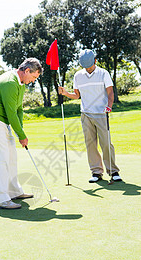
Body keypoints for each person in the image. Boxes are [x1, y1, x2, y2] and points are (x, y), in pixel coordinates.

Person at [0, 58, 43, 209]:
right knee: (0, 159)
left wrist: (20, 131)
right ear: (27, 71)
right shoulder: (10, 82)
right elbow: (11, 113)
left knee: (11, 157)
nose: (33, 81)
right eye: (34, 77)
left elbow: (19, 109)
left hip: (3, 122)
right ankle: (2, 199)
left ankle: (14, 192)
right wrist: (21, 136)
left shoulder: (21, 84)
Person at [58, 49, 122, 183]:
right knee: (90, 144)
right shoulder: (77, 76)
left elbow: (110, 92)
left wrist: (109, 106)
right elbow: (77, 95)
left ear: (95, 61)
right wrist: (65, 93)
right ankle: (96, 172)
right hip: (86, 114)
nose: (88, 69)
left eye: (90, 65)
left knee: (106, 143)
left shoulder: (103, 73)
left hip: (101, 113)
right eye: (85, 66)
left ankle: (113, 171)